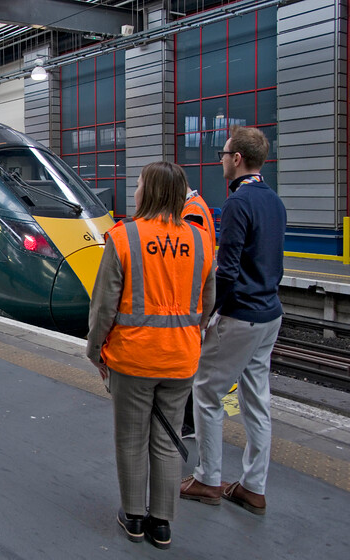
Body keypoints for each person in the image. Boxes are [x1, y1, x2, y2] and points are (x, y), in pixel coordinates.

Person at [87, 161, 215, 549]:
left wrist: (95, 351)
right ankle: (162, 523)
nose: (136, 190)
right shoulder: (200, 240)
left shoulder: (124, 238)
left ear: (152, 192)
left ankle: (135, 517)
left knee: (131, 438)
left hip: (132, 358)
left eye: (140, 184)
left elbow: (104, 306)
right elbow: (207, 303)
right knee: (167, 438)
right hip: (180, 360)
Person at [180, 125, 286, 516]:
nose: (221, 160)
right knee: (257, 400)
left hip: (241, 314)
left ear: (237, 159)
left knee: (207, 392)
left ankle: (208, 478)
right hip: (270, 314)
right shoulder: (274, 201)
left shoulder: (239, 203)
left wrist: (208, 314)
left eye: (224, 154)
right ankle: (253, 487)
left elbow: (227, 267)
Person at [179, 186, 217, 439]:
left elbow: (189, 250)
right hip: (199, 292)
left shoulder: (192, 211)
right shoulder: (198, 204)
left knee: (191, 367)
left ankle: (189, 424)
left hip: (194, 294)